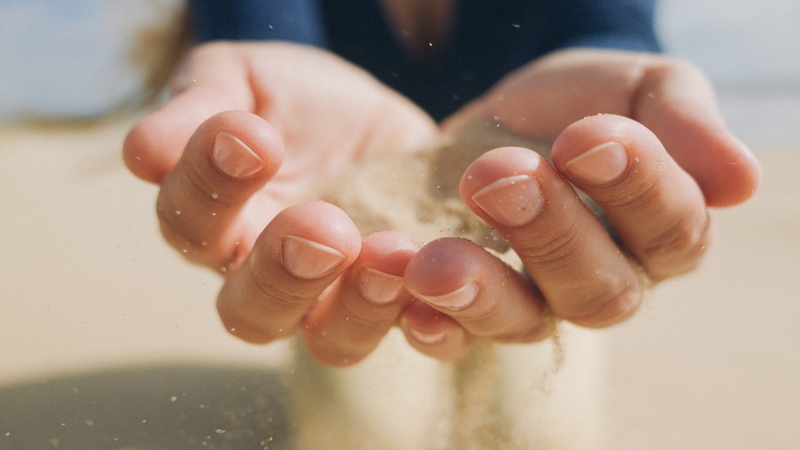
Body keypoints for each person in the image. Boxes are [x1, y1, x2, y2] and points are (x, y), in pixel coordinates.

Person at [123, 0, 761, 366]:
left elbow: (602, 22)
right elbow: (257, 25)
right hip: (339, 228)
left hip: (536, 230)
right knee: (360, 424)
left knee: (540, 419)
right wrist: (252, 68)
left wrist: (615, 81)